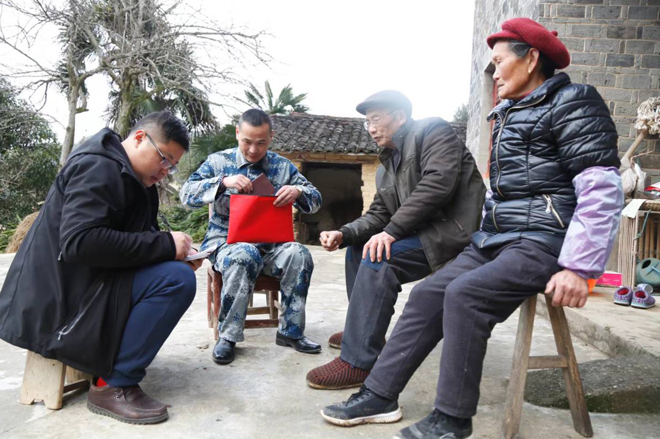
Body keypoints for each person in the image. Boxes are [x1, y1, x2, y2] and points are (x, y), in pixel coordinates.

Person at [320, 18, 624, 439]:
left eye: (499, 62)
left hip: (543, 240)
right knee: (427, 295)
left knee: (465, 295)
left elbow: (601, 187)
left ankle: (452, 419)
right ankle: (378, 394)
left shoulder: (573, 102)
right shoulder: (508, 113)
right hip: (495, 239)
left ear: (531, 58)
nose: (494, 73)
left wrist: (579, 266)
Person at [0, 111, 200, 424]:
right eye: (164, 159)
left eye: (172, 166)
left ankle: (116, 368)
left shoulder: (133, 177)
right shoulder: (97, 167)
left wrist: (173, 253)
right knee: (177, 281)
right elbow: (80, 243)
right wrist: (166, 245)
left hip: (89, 282)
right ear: (140, 138)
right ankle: (113, 385)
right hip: (60, 301)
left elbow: (130, 239)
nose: (165, 171)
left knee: (174, 272)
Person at [305, 90, 486, 390]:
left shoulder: (433, 132)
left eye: (376, 119)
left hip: (452, 233)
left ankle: (357, 362)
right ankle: (361, 333)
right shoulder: (386, 169)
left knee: (379, 258)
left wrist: (392, 231)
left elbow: (437, 184)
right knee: (359, 249)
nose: (371, 128)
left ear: (400, 116)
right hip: (420, 234)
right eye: (367, 122)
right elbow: (378, 213)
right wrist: (344, 233)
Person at [180, 108, 323, 365]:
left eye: (261, 143)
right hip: (228, 243)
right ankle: (228, 336)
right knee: (245, 254)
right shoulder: (218, 162)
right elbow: (186, 195)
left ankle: (291, 332)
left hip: (271, 246)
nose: (254, 150)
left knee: (299, 253)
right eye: (247, 142)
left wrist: (298, 192)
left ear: (271, 138)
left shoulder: (282, 166)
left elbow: (316, 200)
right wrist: (222, 182)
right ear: (237, 133)